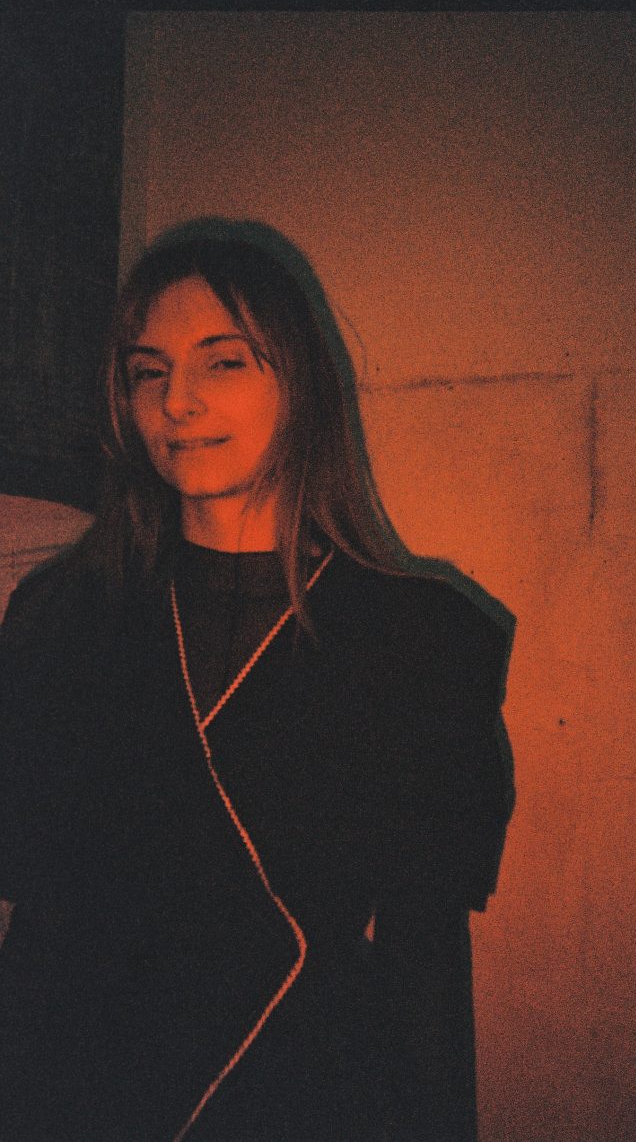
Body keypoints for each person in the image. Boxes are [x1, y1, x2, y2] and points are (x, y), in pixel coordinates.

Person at [0, 219, 514, 1141]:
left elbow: (422, 954)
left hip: (303, 1093)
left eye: (222, 362)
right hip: (71, 1088)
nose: (177, 402)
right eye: (148, 371)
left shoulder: (418, 638)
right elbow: (39, 922)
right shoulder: (62, 617)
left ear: (301, 381)